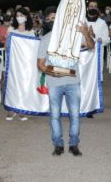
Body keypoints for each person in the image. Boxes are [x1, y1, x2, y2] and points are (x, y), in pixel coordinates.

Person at [37, 9, 95, 156]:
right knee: (55, 115)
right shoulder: (46, 39)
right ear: (47, 22)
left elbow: (91, 46)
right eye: (50, 18)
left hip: (72, 82)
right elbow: (40, 64)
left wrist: (85, 32)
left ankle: (74, 144)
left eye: (56, 17)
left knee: (75, 115)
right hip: (54, 82)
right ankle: (58, 144)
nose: (53, 20)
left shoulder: (74, 36)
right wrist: (52, 72)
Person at [5, 7, 35, 121]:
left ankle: (22, 109)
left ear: (26, 17)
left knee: (24, 85)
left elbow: (33, 48)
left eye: (21, 15)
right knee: (12, 84)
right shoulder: (11, 29)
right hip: (13, 62)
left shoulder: (30, 31)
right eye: (17, 16)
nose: (19, 18)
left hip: (26, 63)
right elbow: (7, 47)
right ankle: (11, 109)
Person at [86, 0, 110, 81]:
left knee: (95, 77)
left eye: (95, 6)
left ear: (97, 9)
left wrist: (97, 37)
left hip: (97, 53)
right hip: (84, 54)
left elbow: (107, 39)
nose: (93, 8)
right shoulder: (82, 21)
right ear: (87, 8)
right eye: (91, 6)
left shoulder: (102, 22)